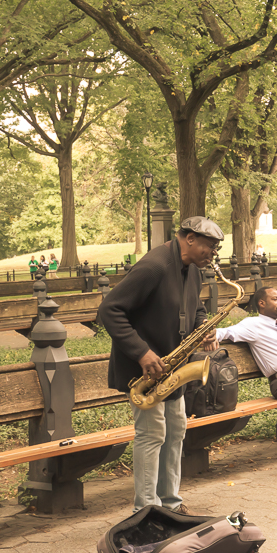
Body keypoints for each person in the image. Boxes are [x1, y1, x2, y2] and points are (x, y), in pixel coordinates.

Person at [98, 216, 223, 513]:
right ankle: (146, 509)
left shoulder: (192, 270)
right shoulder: (154, 266)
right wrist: (142, 353)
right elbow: (110, 309)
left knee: (176, 431)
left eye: (216, 248)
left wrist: (204, 326)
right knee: (152, 434)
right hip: (144, 369)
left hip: (172, 368)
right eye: (209, 246)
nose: (213, 253)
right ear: (189, 239)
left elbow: (196, 308)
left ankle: (170, 503)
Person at [214, 287, 277, 400]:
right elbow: (226, 332)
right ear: (262, 303)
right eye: (275, 299)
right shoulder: (253, 324)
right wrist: (212, 335)